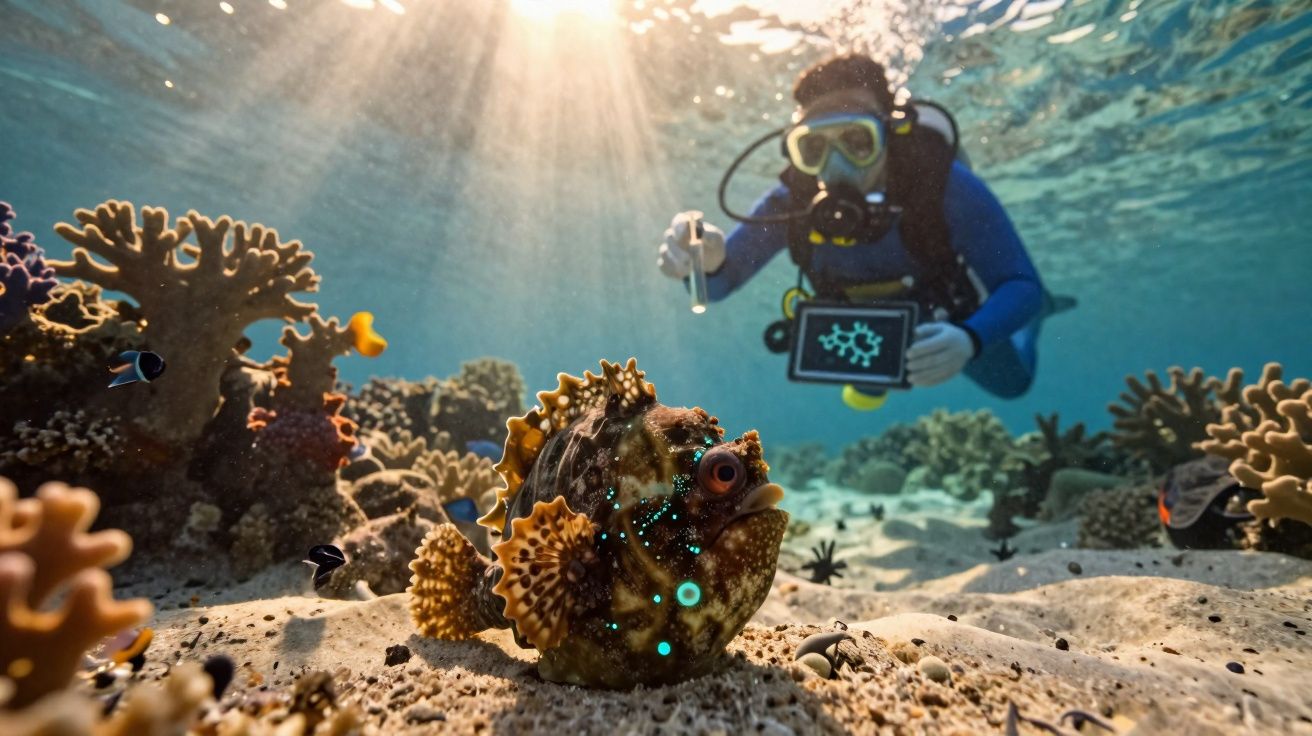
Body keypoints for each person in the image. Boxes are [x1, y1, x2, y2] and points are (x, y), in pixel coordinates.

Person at [657, 54, 1066, 410]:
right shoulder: (791, 202)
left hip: (947, 321)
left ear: (888, 134)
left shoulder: (943, 188)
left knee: (1014, 385)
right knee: (866, 388)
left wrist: (971, 338)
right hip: (863, 334)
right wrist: (703, 262)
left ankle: (1035, 326)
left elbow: (1022, 284)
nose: (836, 166)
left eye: (857, 140)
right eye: (814, 148)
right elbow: (716, 287)